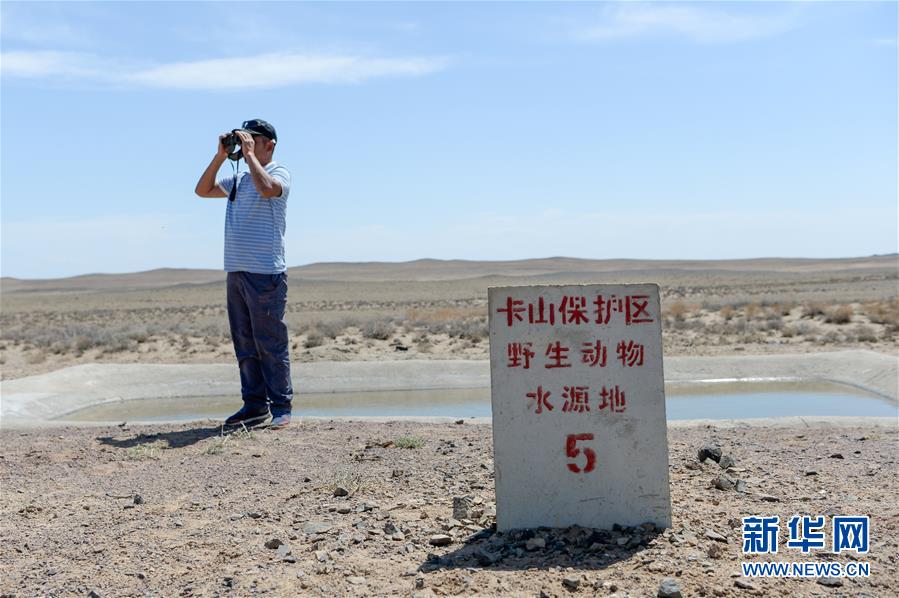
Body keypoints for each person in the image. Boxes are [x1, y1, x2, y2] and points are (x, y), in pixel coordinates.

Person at [194, 119, 293, 429]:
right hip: (236, 272)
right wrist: (221, 155)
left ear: (270, 144)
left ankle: (281, 407)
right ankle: (253, 407)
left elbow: (267, 189)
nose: (246, 143)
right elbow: (202, 190)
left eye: (253, 139)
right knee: (245, 343)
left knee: (270, 342)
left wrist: (249, 156)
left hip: (265, 273)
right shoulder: (237, 179)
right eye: (243, 139)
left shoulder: (278, 174)